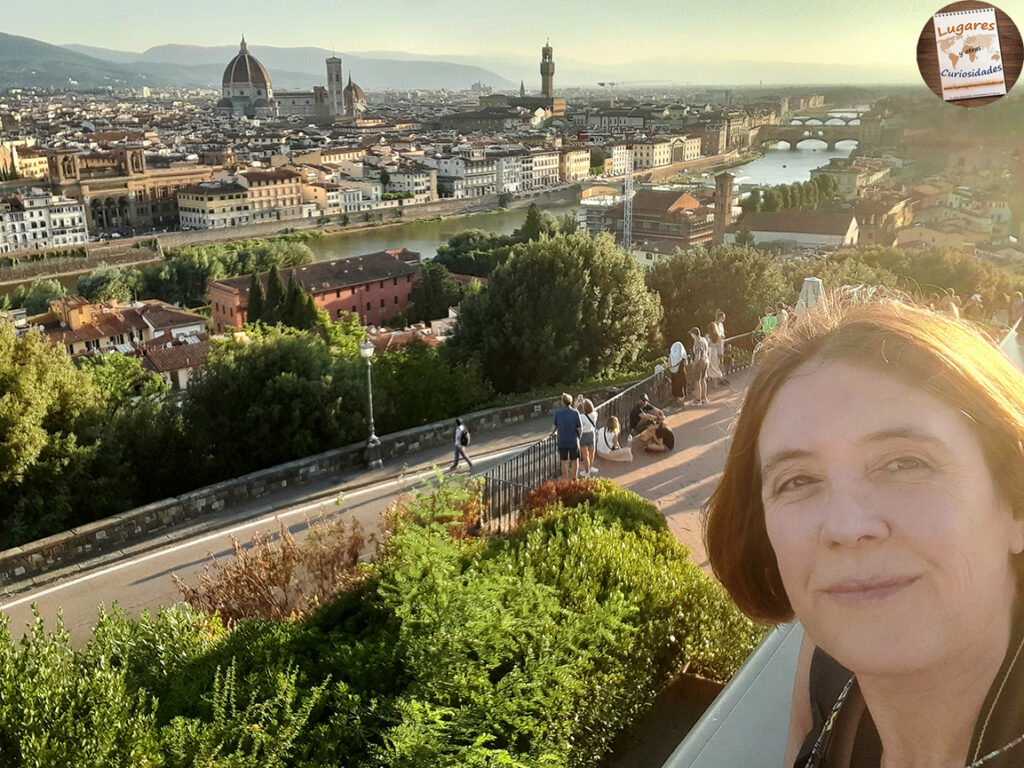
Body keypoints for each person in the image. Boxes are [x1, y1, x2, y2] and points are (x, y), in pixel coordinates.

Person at [703, 290, 1024, 768]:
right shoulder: (826, 661)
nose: (846, 526)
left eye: (904, 463)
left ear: (1013, 503)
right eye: (799, 480)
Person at [549, 392, 582, 481]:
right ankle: (574, 478)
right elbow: (579, 428)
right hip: (573, 440)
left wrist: (552, 433)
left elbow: (554, 427)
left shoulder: (558, 413)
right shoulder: (575, 413)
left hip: (562, 440)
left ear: (563, 402)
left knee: (564, 461)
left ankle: (565, 479)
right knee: (575, 460)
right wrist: (579, 437)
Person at [578, 398, 599, 477]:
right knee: (592, 452)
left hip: (583, 435)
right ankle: (590, 467)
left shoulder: (581, 417)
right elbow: (593, 411)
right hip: (591, 434)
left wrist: (577, 406)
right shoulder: (595, 414)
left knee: (585, 454)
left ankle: (587, 472)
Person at [690, 326, 709, 405]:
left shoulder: (697, 342)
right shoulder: (703, 340)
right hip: (706, 361)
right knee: (703, 380)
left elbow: (697, 356)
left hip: (700, 363)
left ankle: (698, 399)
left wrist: (693, 365)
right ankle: (704, 397)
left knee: (697, 381)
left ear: (694, 334)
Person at [714, 310, 730, 386]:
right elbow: (715, 335)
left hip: (721, 344)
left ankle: (722, 377)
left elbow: (722, 334)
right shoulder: (714, 325)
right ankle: (720, 378)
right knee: (718, 362)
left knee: (721, 361)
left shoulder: (721, 325)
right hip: (716, 345)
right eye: (723, 317)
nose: (724, 319)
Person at [706, 322, 724, 386]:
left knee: (711, 367)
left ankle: (715, 383)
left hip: (710, 351)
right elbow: (719, 345)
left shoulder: (707, 336)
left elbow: (707, 345)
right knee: (716, 366)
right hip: (715, 351)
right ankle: (719, 380)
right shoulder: (718, 336)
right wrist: (720, 354)